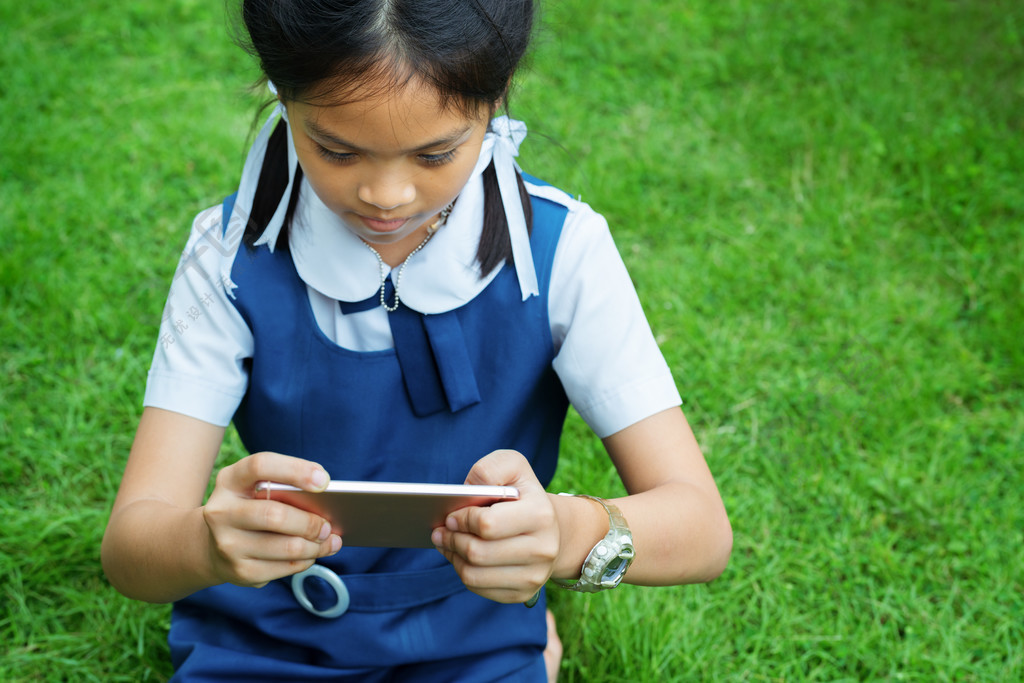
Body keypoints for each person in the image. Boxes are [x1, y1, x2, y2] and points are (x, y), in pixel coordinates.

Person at [101, 1, 732, 680]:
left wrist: (566, 534)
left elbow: (701, 528)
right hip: (268, 631)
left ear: (495, 100)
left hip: (475, 634)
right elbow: (132, 548)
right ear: (282, 95)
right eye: (336, 149)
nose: (386, 196)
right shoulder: (229, 257)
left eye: (436, 152)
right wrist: (205, 543)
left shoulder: (562, 252)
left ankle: (531, 644)